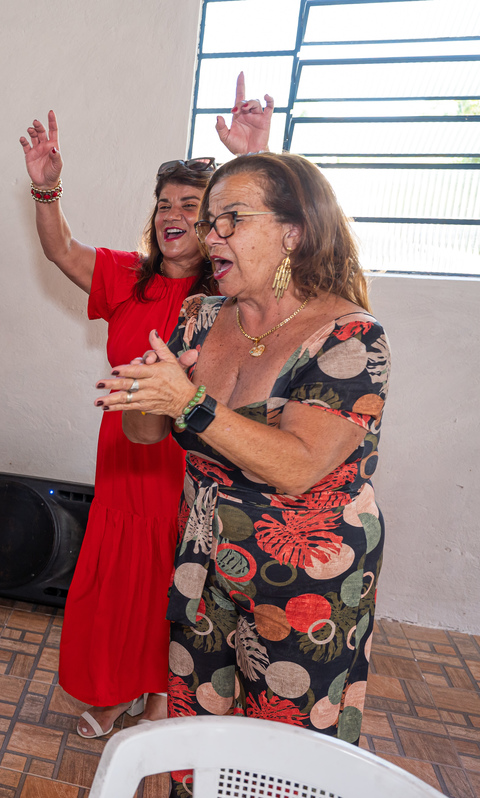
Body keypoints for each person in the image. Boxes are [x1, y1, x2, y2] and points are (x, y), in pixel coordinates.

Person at [106, 152, 388, 798]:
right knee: (195, 733)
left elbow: (297, 465)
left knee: (283, 759)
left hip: (304, 587)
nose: (211, 236)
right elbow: (146, 434)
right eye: (211, 221)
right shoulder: (202, 316)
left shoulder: (350, 337)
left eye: (231, 219)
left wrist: (189, 402)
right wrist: (145, 394)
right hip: (204, 566)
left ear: (293, 232)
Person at [18, 73, 274, 738]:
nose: (171, 214)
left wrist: (255, 158)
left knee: (172, 583)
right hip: (123, 461)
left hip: (187, 467)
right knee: (115, 588)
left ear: (215, 221)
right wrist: (46, 188)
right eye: (164, 203)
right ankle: (117, 689)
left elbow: (287, 247)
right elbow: (60, 248)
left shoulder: (230, 296)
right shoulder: (127, 278)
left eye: (189, 204)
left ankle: (162, 694)